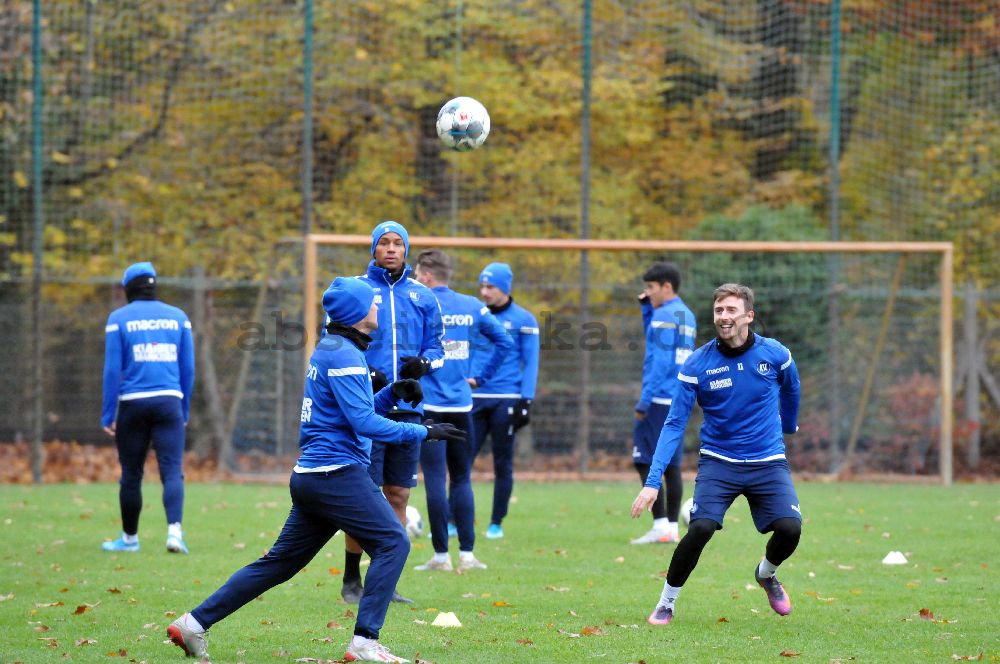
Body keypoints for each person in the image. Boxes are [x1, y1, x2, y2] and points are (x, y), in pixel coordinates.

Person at [167, 277, 464, 663]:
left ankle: (192, 624)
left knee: (279, 563)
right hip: (336, 474)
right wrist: (423, 431)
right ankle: (364, 643)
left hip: (314, 476)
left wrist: (392, 393)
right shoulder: (344, 355)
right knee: (394, 542)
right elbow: (363, 423)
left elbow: (351, 411)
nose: (377, 307)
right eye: (372, 303)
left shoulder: (335, 348)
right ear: (357, 313)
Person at [630, 283, 801, 626]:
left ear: (748, 316)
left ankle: (766, 574)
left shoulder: (775, 354)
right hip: (719, 462)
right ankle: (666, 602)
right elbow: (674, 424)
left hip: (767, 462)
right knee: (701, 528)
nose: (724, 317)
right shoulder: (697, 363)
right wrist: (651, 482)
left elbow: (792, 387)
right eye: (719, 310)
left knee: (790, 528)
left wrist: (789, 424)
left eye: (731, 310)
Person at [341, 221, 445, 605]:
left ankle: (386, 581)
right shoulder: (356, 290)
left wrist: (425, 364)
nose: (390, 249)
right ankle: (351, 578)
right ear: (373, 248)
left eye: (397, 243)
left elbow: (439, 349)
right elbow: (334, 338)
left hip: (409, 408)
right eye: (383, 242)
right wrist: (366, 371)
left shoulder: (423, 296)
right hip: (367, 408)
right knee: (365, 496)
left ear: (406, 250)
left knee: (398, 494)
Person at [411, 249, 513, 572]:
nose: (414, 279)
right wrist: (480, 377)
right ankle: (467, 555)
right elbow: (505, 341)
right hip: (460, 405)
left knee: (435, 479)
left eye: (417, 274)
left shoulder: (418, 303)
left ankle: (441, 557)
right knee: (461, 478)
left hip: (429, 406)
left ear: (428, 276)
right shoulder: (471, 306)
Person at [101, 261, 195, 554]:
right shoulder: (178, 317)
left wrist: (108, 413)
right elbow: (188, 368)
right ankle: (175, 534)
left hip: (133, 404)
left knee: (131, 473)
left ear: (128, 288)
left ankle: (129, 539)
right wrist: (184, 408)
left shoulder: (118, 319)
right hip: (169, 402)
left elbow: (112, 370)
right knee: (172, 470)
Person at [469, 262, 539, 540]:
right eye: (482, 286)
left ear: (504, 288)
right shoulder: (474, 314)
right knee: (461, 461)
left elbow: (531, 362)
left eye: (490, 287)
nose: (484, 292)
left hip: (506, 399)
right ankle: (452, 520)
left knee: (503, 463)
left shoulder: (524, 319)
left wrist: (526, 400)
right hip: (473, 398)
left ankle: (496, 523)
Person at [630, 262, 696, 545]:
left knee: (643, 458)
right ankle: (670, 527)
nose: (647, 292)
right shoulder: (686, 314)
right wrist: (647, 310)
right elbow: (658, 342)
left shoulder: (664, 315)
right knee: (672, 464)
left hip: (658, 398)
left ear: (666, 286)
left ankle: (660, 526)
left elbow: (660, 360)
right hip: (679, 397)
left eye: (651, 287)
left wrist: (644, 400)